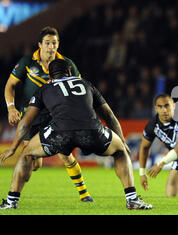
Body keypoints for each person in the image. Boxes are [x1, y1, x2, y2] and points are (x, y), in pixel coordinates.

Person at [0, 59, 152, 210]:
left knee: (27, 154)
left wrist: (13, 148)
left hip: (60, 133)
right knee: (120, 151)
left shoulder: (45, 88)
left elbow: (26, 121)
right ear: (70, 72)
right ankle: (132, 199)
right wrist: (122, 142)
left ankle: (11, 201)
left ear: (51, 76)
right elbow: (109, 116)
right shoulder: (86, 84)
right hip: (91, 131)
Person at [3, 26, 93, 202]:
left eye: (54, 43)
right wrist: (11, 108)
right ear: (40, 45)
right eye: (47, 43)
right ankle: (20, 184)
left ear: (58, 44)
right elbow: (9, 86)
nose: (51, 47)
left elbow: (80, 89)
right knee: (33, 163)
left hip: (55, 117)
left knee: (65, 154)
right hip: (30, 118)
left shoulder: (67, 64)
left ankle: (84, 193)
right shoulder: (27, 62)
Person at [138, 94, 178, 197]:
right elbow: (144, 147)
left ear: (174, 105)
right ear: (156, 108)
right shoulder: (152, 125)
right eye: (160, 107)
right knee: (172, 195)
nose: (164, 110)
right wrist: (142, 173)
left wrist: (160, 164)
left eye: (167, 106)